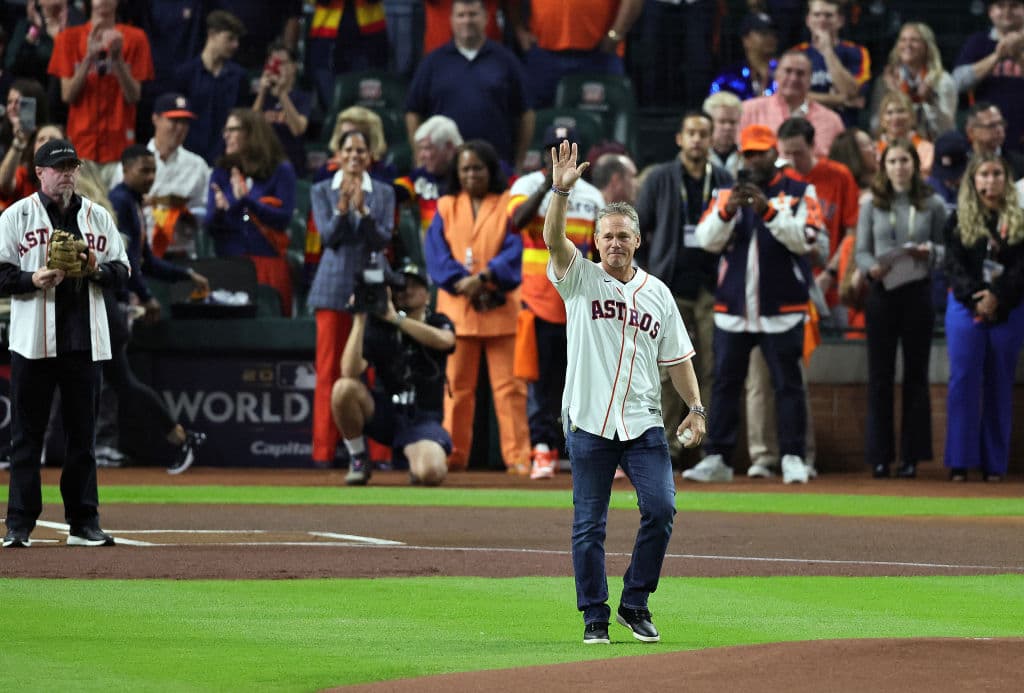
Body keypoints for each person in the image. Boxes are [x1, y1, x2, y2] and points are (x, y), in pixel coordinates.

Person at [542, 139, 705, 645]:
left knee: (661, 508)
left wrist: (696, 409)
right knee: (589, 525)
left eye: (623, 236)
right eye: (606, 236)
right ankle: (595, 615)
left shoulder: (657, 293)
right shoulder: (579, 279)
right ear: (594, 242)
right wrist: (560, 194)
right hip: (588, 420)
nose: (614, 243)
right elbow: (552, 239)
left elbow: (678, 357)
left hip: (643, 422)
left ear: (637, 241)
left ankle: (635, 602)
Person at [0, 138, 129, 548]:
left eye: (72, 166)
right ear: (39, 172)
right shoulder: (16, 216)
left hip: (84, 340)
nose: (68, 174)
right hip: (33, 341)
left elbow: (122, 271)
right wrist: (30, 279)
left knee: (82, 439)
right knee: (26, 438)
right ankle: (18, 525)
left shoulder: (97, 216)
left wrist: (95, 270)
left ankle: (84, 522)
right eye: (59, 167)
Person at [684, 124, 823, 485]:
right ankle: (717, 456)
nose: (753, 159)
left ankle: (793, 456)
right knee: (725, 384)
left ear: (774, 153)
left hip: (783, 307)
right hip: (733, 308)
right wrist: (727, 211)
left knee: (787, 385)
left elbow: (807, 239)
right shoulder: (726, 193)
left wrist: (769, 212)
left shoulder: (798, 190)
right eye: (748, 153)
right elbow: (704, 239)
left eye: (760, 152)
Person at [424, 139, 531, 474]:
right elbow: (436, 257)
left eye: (478, 168)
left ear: (490, 171)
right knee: (457, 389)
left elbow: (516, 249)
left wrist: (483, 278)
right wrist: (465, 283)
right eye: (465, 169)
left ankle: (518, 457)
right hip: (457, 311)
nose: (471, 175)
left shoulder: (508, 204)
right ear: (457, 173)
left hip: (500, 309)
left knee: (510, 388)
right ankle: (454, 454)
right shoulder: (444, 206)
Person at [508, 125, 606, 479]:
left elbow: (599, 251)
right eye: (553, 147)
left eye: (567, 147)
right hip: (538, 300)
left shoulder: (594, 196)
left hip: (579, 299)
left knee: (585, 379)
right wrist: (550, 185)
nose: (560, 153)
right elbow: (516, 222)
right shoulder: (523, 186)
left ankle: (588, 451)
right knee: (541, 382)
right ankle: (543, 450)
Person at [106, 145, 210, 474]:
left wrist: (184, 274)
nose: (150, 177)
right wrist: (147, 295)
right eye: (143, 170)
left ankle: (177, 437)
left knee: (116, 381)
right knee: (113, 381)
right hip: (111, 300)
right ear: (125, 169)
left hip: (115, 305)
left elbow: (143, 259)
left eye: (153, 171)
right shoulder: (119, 202)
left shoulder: (133, 203)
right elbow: (124, 262)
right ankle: (176, 437)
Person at [637, 111, 732, 464]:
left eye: (703, 133)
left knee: (710, 366)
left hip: (712, 287)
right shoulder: (661, 178)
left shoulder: (722, 179)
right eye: (690, 132)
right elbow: (639, 227)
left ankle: (701, 445)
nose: (696, 139)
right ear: (679, 138)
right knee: (667, 370)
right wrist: (646, 274)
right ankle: (664, 445)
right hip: (669, 288)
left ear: (711, 140)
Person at [854, 138, 948, 479]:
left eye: (904, 161)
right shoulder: (871, 203)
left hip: (917, 292)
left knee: (915, 377)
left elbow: (945, 251)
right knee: (880, 377)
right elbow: (861, 251)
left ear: (914, 164)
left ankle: (911, 456)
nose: (899, 167)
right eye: (892, 161)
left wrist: (929, 252)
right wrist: (870, 268)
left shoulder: (932, 203)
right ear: (884, 166)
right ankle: (880, 456)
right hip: (882, 292)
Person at [307, 129, 395, 468]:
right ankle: (323, 452)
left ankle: (377, 452)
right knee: (330, 371)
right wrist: (343, 209)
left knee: (372, 370)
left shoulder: (384, 192)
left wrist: (365, 211)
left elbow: (382, 239)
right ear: (338, 156)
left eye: (361, 150)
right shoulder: (321, 191)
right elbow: (329, 238)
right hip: (332, 288)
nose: (355, 156)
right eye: (348, 150)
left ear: (370, 156)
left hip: (372, 285)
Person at [331, 262, 456, 486]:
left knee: (431, 472)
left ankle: (413, 458)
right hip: (384, 413)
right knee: (343, 388)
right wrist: (360, 320)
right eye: (401, 287)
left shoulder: (437, 320)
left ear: (427, 295)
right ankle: (358, 457)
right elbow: (348, 371)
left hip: (421, 418)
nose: (406, 290)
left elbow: (445, 341)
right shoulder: (380, 328)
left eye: (414, 286)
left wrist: (395, 318)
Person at [943, 152, 1024, 482]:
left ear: (1006, 179)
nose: (990, 181)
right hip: (966, 306)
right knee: (963, 381)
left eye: (996, 174)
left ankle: (994, 464)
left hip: (1009, 307)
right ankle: (960, 461)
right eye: (984, 175)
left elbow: (1022, 268)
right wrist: (977, 296)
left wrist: (999, 296)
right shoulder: (957, 220)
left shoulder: (1019, 219)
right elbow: (953, 265)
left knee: (999, 383)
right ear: (973, 180)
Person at [405, 0, 534, 172]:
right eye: (461, 15)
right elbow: (413, 112)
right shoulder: (433, 62)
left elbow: (526, 114)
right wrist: (419, 155)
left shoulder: (506, 60)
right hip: (446, 168)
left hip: (496, 166)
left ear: (486, 18)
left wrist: (519, 161)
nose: (467, 21)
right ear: (451, 20)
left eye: (473, 14)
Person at [47, 0, 154, 183]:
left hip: (119, 146)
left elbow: (134, 96)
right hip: (81, 145)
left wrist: (118, 60)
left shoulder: (136, 38)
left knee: (114, 209)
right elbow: (67, 95)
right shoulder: (68, 38)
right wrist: (88, 57)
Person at [207, 108, 296, 316]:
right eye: (225, 130)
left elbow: (283, 219)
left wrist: (246, 201)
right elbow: (211, 227)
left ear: (251, 133)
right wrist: (220, 213)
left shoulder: (280, 170)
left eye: (233, 130)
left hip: (267, 265)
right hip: (229, 264)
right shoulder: (221, 173)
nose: (226, 135)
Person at [110, 92, 211, 260]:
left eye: (185, 122)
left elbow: (205, 210)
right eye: (174, 121)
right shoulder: (131, 162)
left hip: (182, 252)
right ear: (156, 119)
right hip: (140, 252)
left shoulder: (198, 165)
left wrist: (187, 214)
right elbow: (114, 210)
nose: (180, 128)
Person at [508, 0, 643, 109]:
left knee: (602, 129)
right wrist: (519, 31)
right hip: (543, 55)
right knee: (539, 125)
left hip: (599, 55)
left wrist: (616, 34)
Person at [174, 10, 249, 165]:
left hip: (225, 160)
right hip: (189, 160)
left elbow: (243, 119)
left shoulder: (239, 77)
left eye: (237, 40)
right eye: (230, 38)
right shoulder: (185, 74)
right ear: (212, 34)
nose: (236, 45)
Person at [739, 50, 844, 159]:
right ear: (776, 74)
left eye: (800, 73)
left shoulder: (831, 121)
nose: (793, 78)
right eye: (788, 71)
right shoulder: (748, 111)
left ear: (810, 79)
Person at [954, 0, 1024, 155]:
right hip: (985, 139)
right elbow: (958, 83)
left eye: (1014, 6)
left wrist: (1018, 55)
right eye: (1000, 6)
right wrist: (997, 56)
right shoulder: (978, 42)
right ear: (991, 12)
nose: (1007, 11)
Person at [869, 22, 956, 140]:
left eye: (914, 40)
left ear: (927, 46)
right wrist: (895, 96)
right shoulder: (885, 81)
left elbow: (947, 130)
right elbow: (875, 127)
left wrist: (931, 102)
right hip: (894, 148)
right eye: (903, 40)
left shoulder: (942, 81)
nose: (907, 45)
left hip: (931, 146)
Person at [790, 0, 871, 124]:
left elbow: (851, 92)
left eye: (828, 15)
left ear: (841, 21)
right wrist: (839, 100)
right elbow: (792, 96)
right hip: (804, 124)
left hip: (845, 127)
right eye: (817, 15)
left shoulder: (857, 52)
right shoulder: (796, 53)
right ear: (808, 20)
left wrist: (827, 51)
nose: (822, 20)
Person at [393, 114, 463, 235]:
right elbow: (394, 191)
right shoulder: (422, 176)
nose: (421, 156)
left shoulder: (473, 176)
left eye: (428, 149)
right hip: (431, 248)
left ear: (450, 147)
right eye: (420, 149)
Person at [252, 40, 311, 178]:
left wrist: (282, 94)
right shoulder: (261, 97)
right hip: (263, 166)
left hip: (291, 167)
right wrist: (262, 92)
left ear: (294, 67)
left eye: (282, 63)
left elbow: (298, 129)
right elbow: (251, 126)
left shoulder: (302, 98)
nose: (277, 68)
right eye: (273, 63)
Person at [709, 12, 779, 101]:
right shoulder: (729, 77)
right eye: (763, 33)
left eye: (773, 33)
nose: (770, 37)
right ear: (746, 39)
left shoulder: (786, 72)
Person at [0, 122, 63, 211]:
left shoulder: (76, 180)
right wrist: (19, 142)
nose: (46, 142)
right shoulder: (23, 175)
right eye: (41, 139)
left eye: (53, 139)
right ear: (34, 148)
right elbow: (4, 184)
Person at [875, 90, 935, 178]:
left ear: (912, 116)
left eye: (901, 111)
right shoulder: (873, 151)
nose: (895, 117)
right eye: (889, 112)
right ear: (882, 120)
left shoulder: (927, 150)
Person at [965, 102, 1024, 180]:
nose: (999, 129)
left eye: (1001, 123)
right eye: (991, 125)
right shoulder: (962, 167)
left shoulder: (1019, 163)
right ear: (971, 132)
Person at [926, 130, 970, 209]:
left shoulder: (977, 185)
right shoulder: (929, 188)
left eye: (954, 175)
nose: (949, 181)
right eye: (943, 174)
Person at [703, 91, 743, 178]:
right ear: (709, 123)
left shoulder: (747, 158)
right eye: (722, 121)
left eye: (732, 122)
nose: (728, 127)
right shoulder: (698, 157)